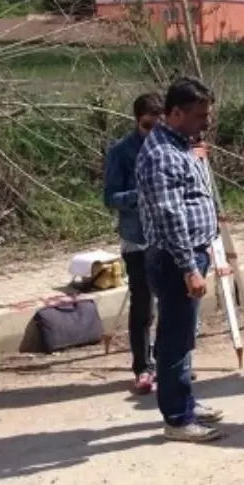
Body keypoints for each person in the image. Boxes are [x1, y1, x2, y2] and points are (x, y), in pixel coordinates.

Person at [135, 76, 225, 443]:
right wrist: (189, 268)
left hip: (191, 254)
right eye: (199, 115)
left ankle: (184, 400)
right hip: (175, 261)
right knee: (174, 341)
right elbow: (171, 216)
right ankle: (177, 418)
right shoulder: (161, 155)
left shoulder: (182, 145)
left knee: (185, 336)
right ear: (175, 113)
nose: (206, 122)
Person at [104, 92, 163, 395]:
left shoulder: (171, 147)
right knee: (143, 305)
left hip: (168, 237)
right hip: (137, 239)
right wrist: (142, 195)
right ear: (136, 121)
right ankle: (143, 366)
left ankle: (170, 362)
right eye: (146, 126)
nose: (152, 132)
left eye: (158, 125)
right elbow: (110, 197)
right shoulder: (121, 152)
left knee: (173, 304)